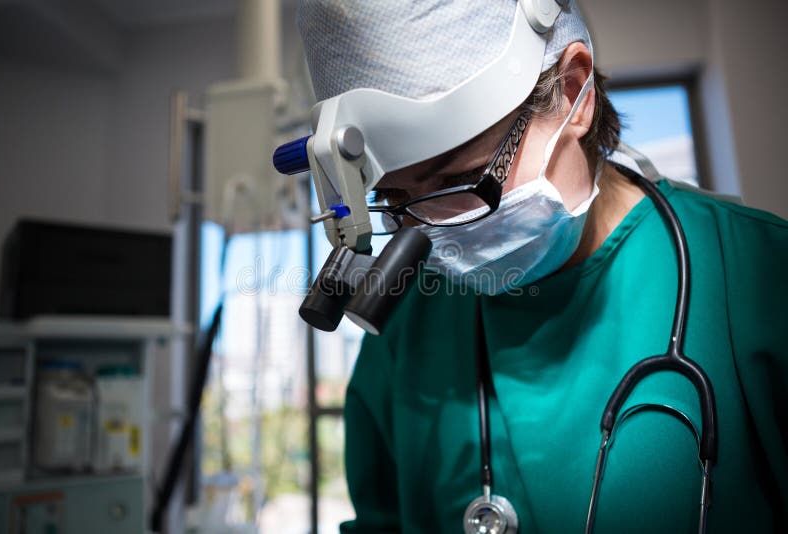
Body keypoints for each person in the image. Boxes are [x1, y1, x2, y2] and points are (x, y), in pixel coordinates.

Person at [296, 1, 788, 532]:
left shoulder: (760, 276)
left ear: (574, 94)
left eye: (455, 183)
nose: (432, 229)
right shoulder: (405, 326)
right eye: (396, 199)